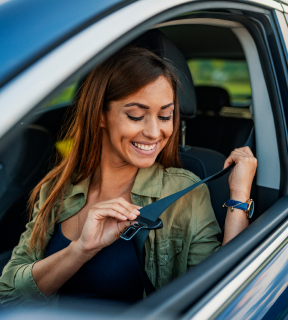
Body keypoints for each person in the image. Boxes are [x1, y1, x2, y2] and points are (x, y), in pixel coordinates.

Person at [0, 47, 257, 307]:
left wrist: (238, 196)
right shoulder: (56, 188)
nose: (155, 132)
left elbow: (223, 291)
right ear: (100, 115)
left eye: (165, 116)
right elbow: (10, 290)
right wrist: (80, 250)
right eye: (136, 116)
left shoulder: (184, 191)